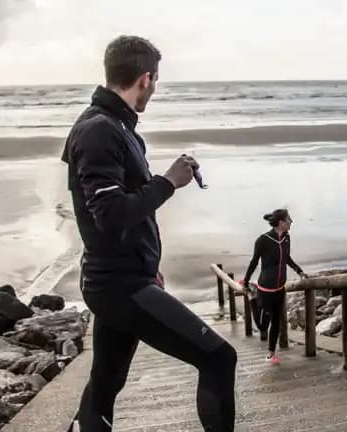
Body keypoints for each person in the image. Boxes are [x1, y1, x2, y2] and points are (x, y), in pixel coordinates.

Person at [62, 35, 237, 432]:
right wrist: (168, 182)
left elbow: (120, 208)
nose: (154, 89)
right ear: (146, 78)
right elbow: (109, 214)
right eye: (155, 81)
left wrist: (147, 264)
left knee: (105, 384)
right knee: (218, 357)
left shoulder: (114, 127)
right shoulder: (99, 130)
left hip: (122, 276)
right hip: (118, 285)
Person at [241, 209, 308, 364]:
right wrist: (245, 281)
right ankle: (251, 297)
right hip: (266, 290)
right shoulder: (263, 240)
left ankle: (271, 354)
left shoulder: (286, 238)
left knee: (276, 323)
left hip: (279, 289)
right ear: (281, 222)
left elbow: (287, 258)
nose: (291, 222)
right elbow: (254, 261)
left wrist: (299, 271)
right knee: (262, 326)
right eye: (289, 219)